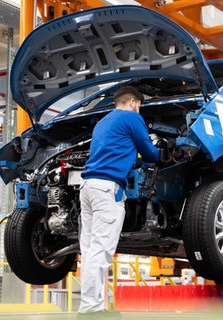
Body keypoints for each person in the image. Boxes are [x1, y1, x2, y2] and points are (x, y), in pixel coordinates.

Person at [78, 86, 160, 319]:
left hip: (87, 188)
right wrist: (162, 156)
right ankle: (90, 311)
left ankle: (92, 306)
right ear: (134, 102)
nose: (140, 110)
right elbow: (149, 151)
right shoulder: (132, 118)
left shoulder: (102, 122)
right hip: (107, 189)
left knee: (90, 251)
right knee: (101, 251)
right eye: (140, 106)